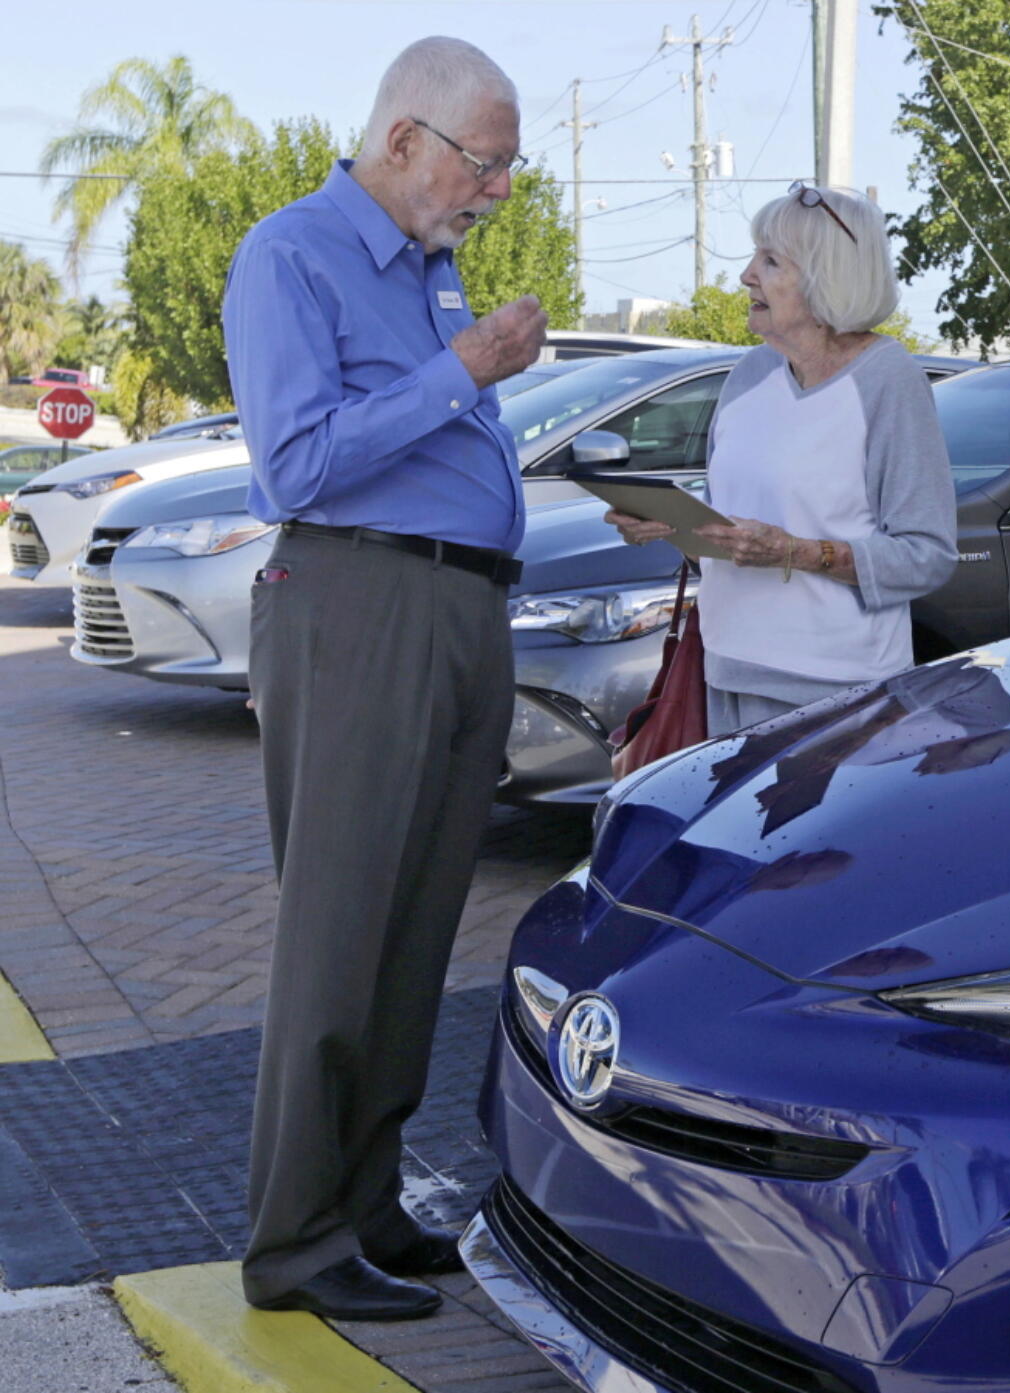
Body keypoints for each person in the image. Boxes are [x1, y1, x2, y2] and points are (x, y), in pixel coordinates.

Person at [221, 37, 546, 1322]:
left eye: (511, 167)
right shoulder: (287, 256)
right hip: (358, 606)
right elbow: (292, 467)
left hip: (457, 612)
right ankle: (293, 1243)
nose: (498, 190)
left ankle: (363, 1206)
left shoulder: (433, 270)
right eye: (488, 162)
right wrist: (459, 374)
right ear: (404, 138)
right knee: (340, 932)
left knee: (412, 936)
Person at [608, 183, 958, 737]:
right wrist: (670, 524)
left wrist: (793, 552)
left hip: (836, 690)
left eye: (770, 261)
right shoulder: (750, 372)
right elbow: (733, 525)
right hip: (721, 669)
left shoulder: (889, 379)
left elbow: (927, 555)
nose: (747, 275)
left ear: (826, 276)